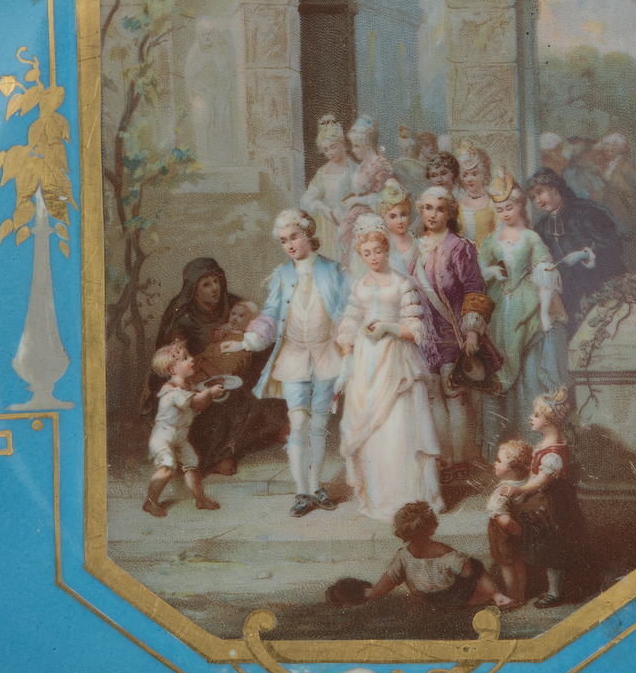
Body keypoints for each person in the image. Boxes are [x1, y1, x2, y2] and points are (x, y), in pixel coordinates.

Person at [224, 209, 351, 517]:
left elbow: (347, 311)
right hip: (293, 356)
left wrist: (350, 344)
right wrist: (247, 341)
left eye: (294, 237)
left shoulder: (333, 270)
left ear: (308, 233)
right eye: (283, 241)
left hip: (327, 356)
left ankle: (316, 485)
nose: (290, 245)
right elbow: (270, 314)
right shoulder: (282, 275)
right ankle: (301, 491)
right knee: (298, 423)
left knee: (319, 424)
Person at [332, 214, 443, 521]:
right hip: (365, 361)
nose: (373, 258)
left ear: (386, 250)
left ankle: (408, 496)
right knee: (373, 431)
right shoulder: (359, 286)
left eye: (378, 251)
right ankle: (380, 495)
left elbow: (415, 330)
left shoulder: (402, 283)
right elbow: (349, 325)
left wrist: (388, 328)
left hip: (397, 361)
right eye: (366, 253)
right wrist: (346, 359)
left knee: (398, 427)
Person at [147, 258, 286, 477]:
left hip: (236, 376)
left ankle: (230, 452)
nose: (215, 288)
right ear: (193, 289)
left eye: (216, 281)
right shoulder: (182, 317)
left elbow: (260, 334)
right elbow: (173, 358)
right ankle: (221, 458)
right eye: (206, 284)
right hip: (194, 379)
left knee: (260, 399)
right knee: (220, 407)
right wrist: (206, 368)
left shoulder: (234, 305)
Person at [412, 185, 502, 472]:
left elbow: (475, 288)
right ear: (421, 211)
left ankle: (459, 461)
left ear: (450, 213)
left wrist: (472, 331)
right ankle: (443, 460)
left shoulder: (459, 248)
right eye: (428, 208)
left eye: (440, 209)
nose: (433, 215)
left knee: (455, 396)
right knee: (432, 398)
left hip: (454, 335)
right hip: (425, 338)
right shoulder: (415, 248)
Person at [478, 172, 566, 461]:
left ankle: (531, 442)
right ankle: (501, 446)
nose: (505, 213)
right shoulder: (493, 239)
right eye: (499, 209)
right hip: (499, 311)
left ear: (520, 207)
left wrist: (544, 312)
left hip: (526, 305)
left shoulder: (531, 237)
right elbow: (480, 269)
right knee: (498, 370)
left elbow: (544, 271)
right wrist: (491, 271)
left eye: (509, 207)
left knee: (528, 375)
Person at [513, 388, 589, 608]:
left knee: (553, 550)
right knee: (546, 548)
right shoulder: (547, 442)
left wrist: (520, 490)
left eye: (536, 415)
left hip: (552, 503)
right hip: (545, 500)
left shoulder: (553, 451)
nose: (531, 417)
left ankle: (555, 593)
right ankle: (550, 588)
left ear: (548, 421)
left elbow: (541, 481)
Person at [362, 501, 511, 610]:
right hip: (452, 596)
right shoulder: (442, 551)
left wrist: (374, 592)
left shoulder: (402, 555)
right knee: (475, 565)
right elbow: (467, 572)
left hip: (427, 599)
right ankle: (498, 596)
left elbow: (390, 578)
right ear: (432, 528)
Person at [525, 166, 624, 327]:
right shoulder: (542, 227)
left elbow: (614, 243)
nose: (538, 201)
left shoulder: (585, 212)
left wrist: (584, 254)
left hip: (601, 287)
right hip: (570, 296)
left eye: (540, 192)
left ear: (554, 188)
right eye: (533, 197)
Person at [143, 339, 222, 517]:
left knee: (192, 465)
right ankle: (150, 501)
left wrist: (209, 395)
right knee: (167, 468)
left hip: (180, 437)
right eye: (185, 358)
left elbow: (198, 407)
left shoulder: (188, 386)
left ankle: (200, 499)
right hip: (164, 436)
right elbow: (193, 402)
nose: (192, 359)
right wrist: (209, 392)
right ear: (173, 370)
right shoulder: (172, 391)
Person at [336, 115, 395, 270]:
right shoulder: (361, 166)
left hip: (373, 221)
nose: (353, 150)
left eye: (356, 146)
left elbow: (386, 199)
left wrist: (357, 201)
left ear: (367, 144)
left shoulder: (381, 166)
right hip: (355, 219)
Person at [300, 115, 353, 264]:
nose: (330, 153)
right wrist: (321, 207)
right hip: (326, 228)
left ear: (342, 143)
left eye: (333, 147)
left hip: (349, 224)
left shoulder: (354, 170)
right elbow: (307, 199)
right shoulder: (322, 173)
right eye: (325, 149)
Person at [486, 439, 533, 606]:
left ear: (512, 468)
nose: (495, 463)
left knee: (507, 566)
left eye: (499, 461)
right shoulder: (527, 482)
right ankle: (520, 595)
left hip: (504, 536)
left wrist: (519, 533)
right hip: (522, 530)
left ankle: (513, 596)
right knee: (519, 564)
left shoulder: (501, 493)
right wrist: (525, 534)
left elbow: (504, 521)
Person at [377, 179, 423, 280]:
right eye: (393, 217)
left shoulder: (418, 243)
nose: (400, 221)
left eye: (403, 215)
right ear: (385, 219)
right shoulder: (384, 244)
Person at [454, 141, 496, 248]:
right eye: (465, 175)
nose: (469, 179)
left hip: (485, 255)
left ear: (484, 174)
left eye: (474, 174)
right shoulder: (459, 203)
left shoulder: (493, 203)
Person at [392, 124, 429, 195]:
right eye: (406, 138)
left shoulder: (423, 163)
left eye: (412, 138)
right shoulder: (399, 163)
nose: (410, 142)